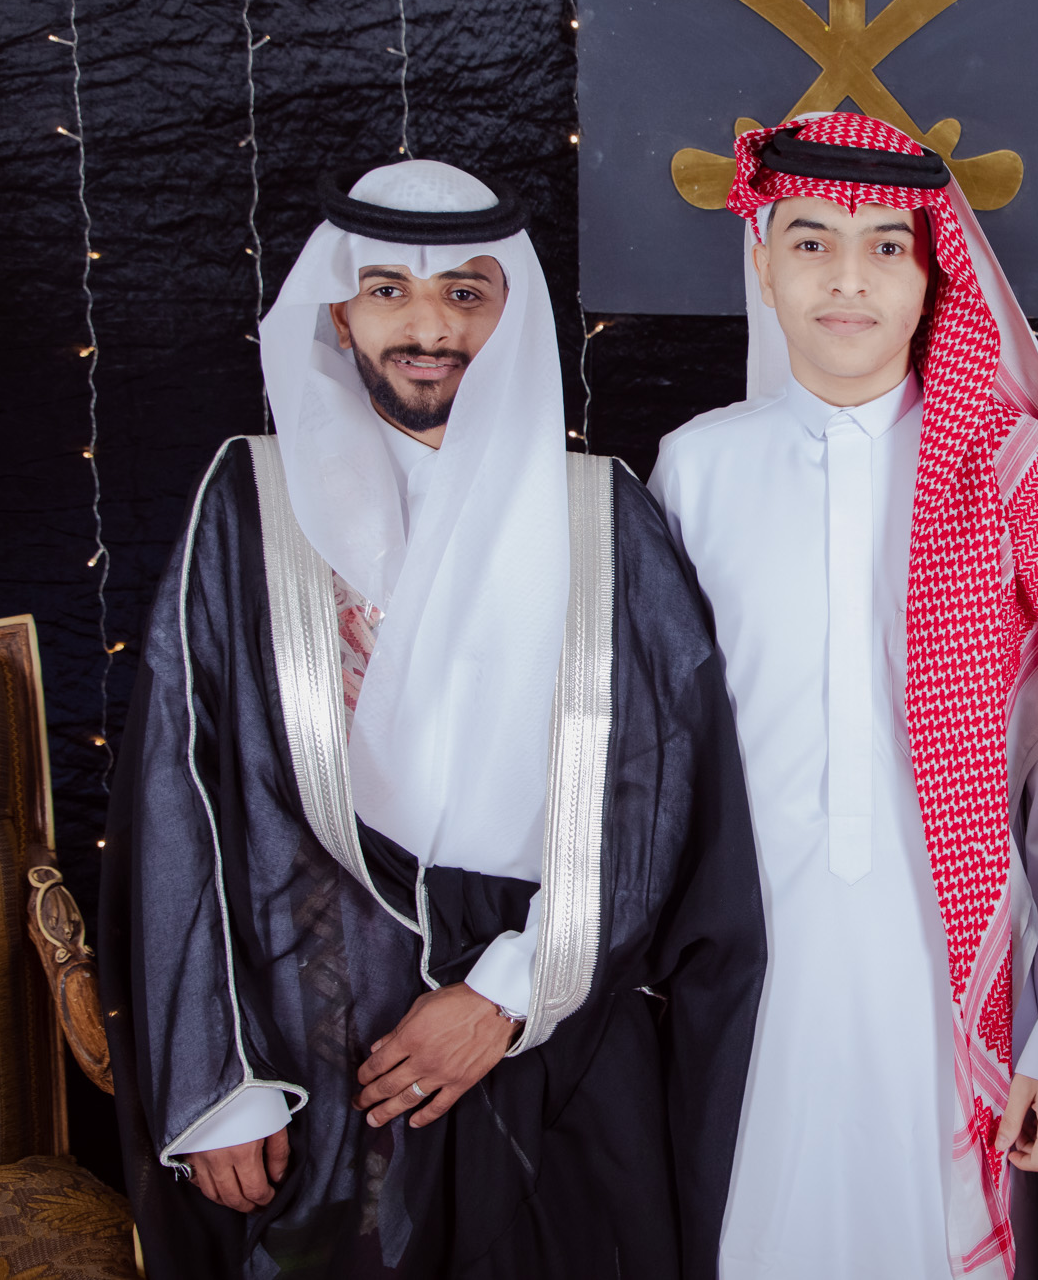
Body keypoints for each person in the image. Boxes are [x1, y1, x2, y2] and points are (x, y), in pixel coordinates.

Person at [100, 159, 764, 1280]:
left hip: (551, 1023)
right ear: (339, 314)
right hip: (313, 1037)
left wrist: (507, 993)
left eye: (465, 292)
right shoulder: (251, 505)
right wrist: (220, 1081)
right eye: (388, 292)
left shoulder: (600, 514)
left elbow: (658, 787)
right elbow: (183, 786)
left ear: (511, 314)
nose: (428, 327)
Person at [647, 112, 1038, 1278]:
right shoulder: (696, 467)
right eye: (809, 242)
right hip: (746, 975)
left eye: (885, 246)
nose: (846, 279)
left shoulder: (1015, 476)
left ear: (931, 272)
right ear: (762, 264)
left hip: (954, 980)